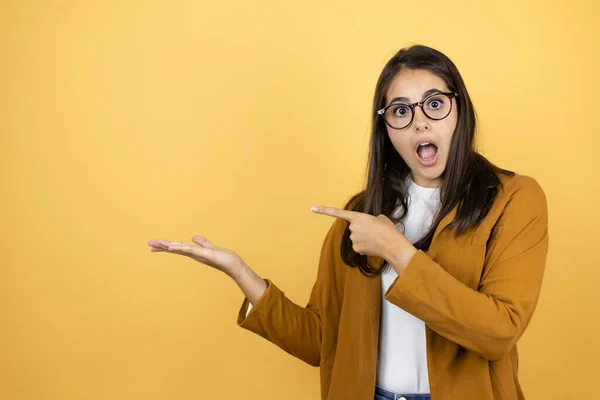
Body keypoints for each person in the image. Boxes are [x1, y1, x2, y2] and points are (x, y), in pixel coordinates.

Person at [148, 45, 549, 400]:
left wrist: (395, 250)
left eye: (435, 103)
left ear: (459, 108)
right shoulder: (361, 215)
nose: (420, 122)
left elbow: (498, 332)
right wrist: (241, 274)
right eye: (401, 111)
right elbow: (323, 341)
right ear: (386, 128)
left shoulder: (513, 199)